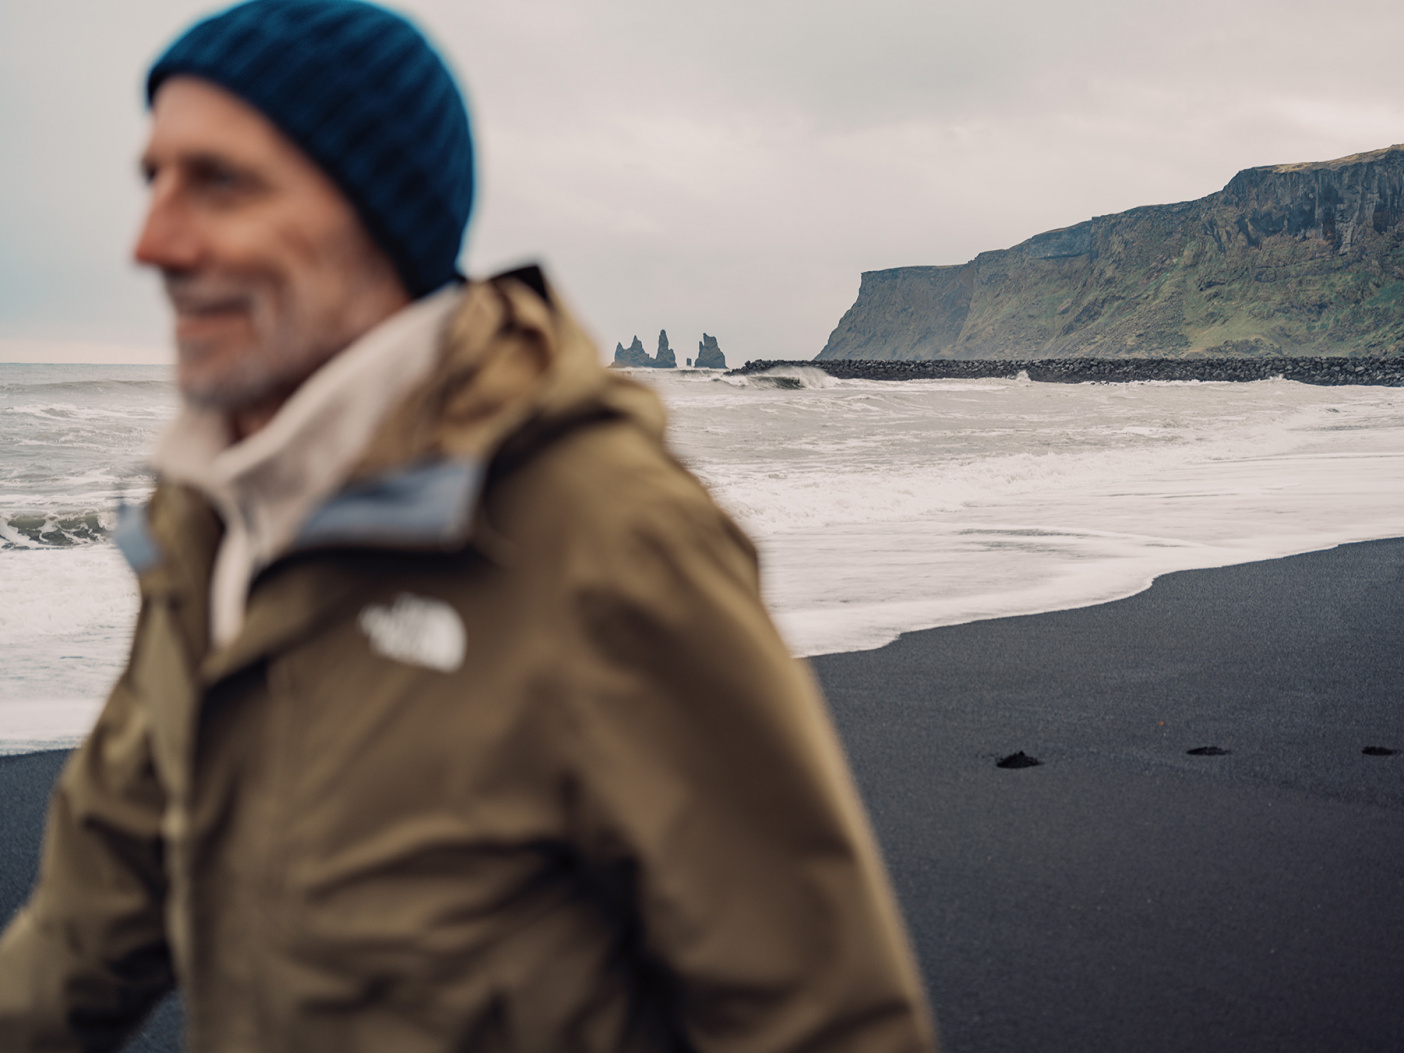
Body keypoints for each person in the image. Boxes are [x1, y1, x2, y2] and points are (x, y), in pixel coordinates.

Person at [0, 2, 938, 1050]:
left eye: (220, 182)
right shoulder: (207, 518)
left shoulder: (609, 538)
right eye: (154, 180)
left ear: (375, 212)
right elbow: (90, 924)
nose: (152, 242)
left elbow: (823, 1016)